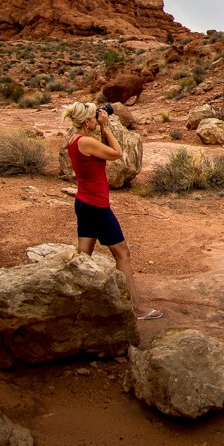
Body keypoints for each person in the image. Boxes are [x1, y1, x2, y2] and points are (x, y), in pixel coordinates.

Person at [63, 101, 162, 320]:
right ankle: (137, 308)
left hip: (83, 202)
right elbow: (117, 153)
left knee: (84, 257)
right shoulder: (87, 141)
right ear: (87, 121)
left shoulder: (74, 140)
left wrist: (100, 129)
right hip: (97, 206)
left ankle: (74, 307)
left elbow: (99, 155)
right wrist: (106, 127)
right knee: (122, 254)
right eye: (93, 119)